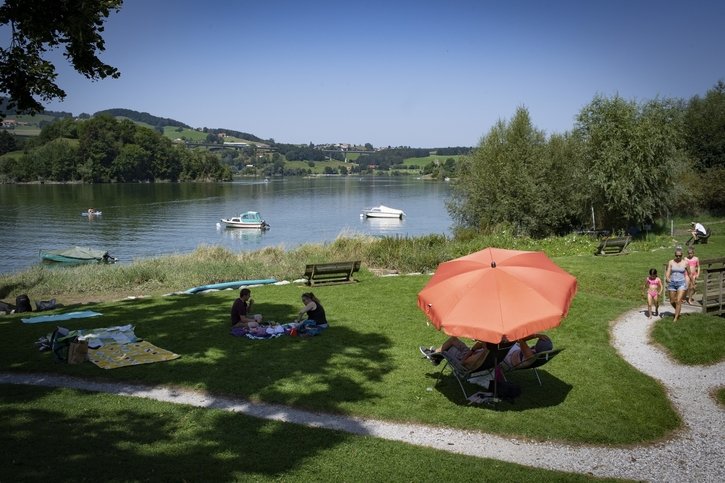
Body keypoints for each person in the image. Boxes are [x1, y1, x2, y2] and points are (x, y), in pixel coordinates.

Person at [419, 337, 491, 370]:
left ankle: (433, 355)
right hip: (469, 355)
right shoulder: (493, 350)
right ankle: (436, 355)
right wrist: (474, 349)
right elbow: (473, 350)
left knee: (450, 347)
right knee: (453, 339)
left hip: (463, 362)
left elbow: (464, 362)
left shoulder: (482, 354)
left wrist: (472, 350)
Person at [665, 247, 693, 322]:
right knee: (672, 301)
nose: (678, 257)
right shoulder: (671, 262)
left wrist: (692, 283)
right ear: (675, 255)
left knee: (678, 301)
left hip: (681, 283)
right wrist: (667, 278)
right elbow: (668, 271)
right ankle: (678, 310)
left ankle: (676, 317)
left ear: (682, 255)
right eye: (677, 256)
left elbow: (690, 274)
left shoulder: (685, 263)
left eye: (680, 256)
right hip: (672, 283)